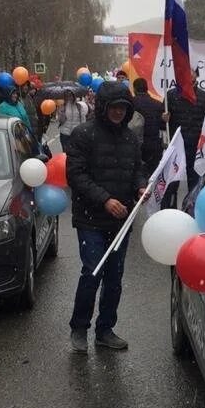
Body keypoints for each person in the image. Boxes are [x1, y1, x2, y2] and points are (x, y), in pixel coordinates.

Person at [66, 81, 147, 353]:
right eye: (113, 107)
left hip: (121, 219)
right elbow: (76, 175)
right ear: (103, 108)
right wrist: (105, 199)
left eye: (123, 108)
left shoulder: (131, 138)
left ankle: (105, 330)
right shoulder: (83, 134)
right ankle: (79, 328)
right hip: (91, 218)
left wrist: (140, 186)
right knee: (92, 272)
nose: (118, 113)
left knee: (115, 277)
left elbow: (138, 168)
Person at [165, 74, 205, 190]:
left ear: (196, 76)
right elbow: (162, 121)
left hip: (196, 145)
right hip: (177, 144)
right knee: (172, 180)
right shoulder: (171, 95)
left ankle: (192, 204)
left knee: (194, 179)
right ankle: (170, 205)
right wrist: (163, 118)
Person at [133, 78, 165, 171]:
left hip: (136, 144)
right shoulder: (158, 104)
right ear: (147, 88)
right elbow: (162, 126)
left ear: (134, 89)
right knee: (152, 174)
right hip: (154, 145)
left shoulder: (131, 103)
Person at [56, 88, 89, 154]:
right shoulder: (62, 106)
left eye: (71, 95)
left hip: (76, 134)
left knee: (75, 153)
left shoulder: (79, 107)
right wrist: (60, 114)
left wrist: (83, 132)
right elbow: (59, 120)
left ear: (74, 96)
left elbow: (83, 121)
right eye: (67, 95)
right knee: (65, 154)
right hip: (65, 133)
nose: (69, 97)